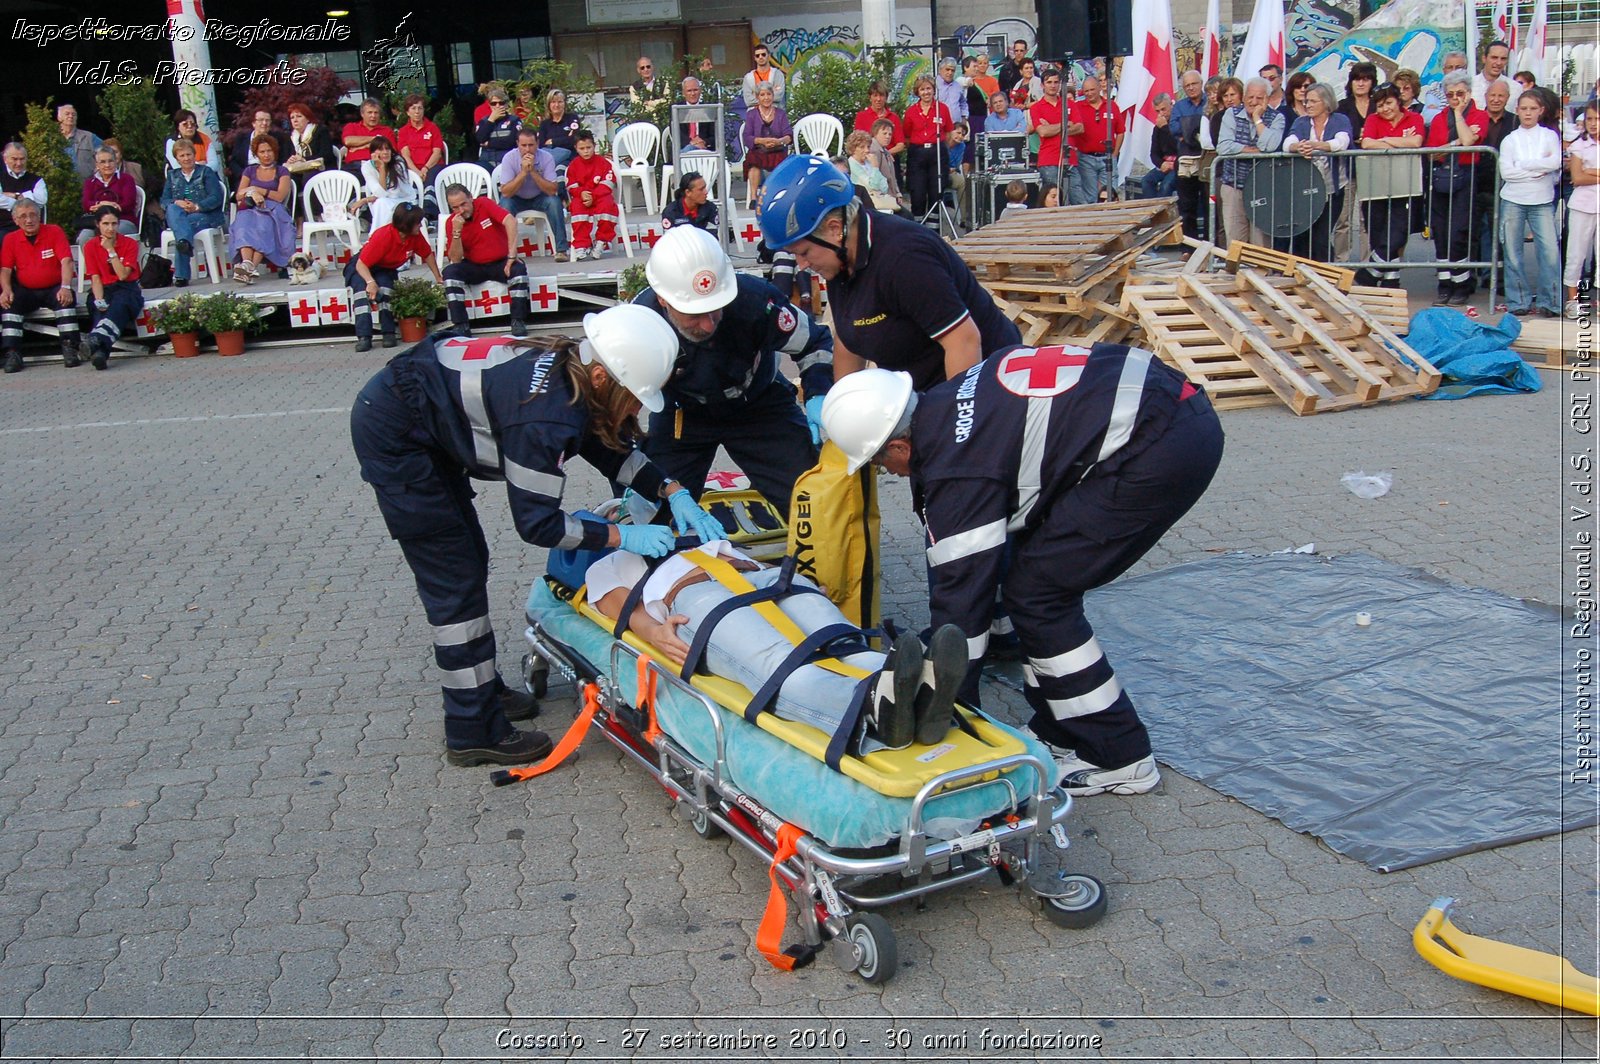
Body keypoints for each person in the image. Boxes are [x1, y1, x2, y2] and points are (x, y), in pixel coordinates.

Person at [820, 350, 1224, 795]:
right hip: (1169, 406)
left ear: (899, 445)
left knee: (1039, 595)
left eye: (881, 463)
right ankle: (1060, 727)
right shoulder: (946, 402)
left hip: (1163, 445)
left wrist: (950, 710)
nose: (890, 474)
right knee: (1031, 578)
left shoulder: (960, 470)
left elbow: (962, 604)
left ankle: (1120, 756)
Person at [349, 304, 727, 767]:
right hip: (398, 437)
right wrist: (621, 538)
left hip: (417, 413)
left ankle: (481, 689)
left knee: (469, 559)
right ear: (605, 380)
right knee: (453, 577)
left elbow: (605, 447)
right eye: (634, 399)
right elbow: (538, 524)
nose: (635, 411)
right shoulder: (544, 417)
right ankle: (472, 730)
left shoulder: (576, 370)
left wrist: (672, 490)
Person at [588, 540, 967, 751]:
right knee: (779, 662)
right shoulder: (612, 559)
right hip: (694, 598)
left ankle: (920, 688)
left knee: (840, 642)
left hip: (767, 578)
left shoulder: (696, 531)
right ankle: (869, 706)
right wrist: (654, 633)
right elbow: (614, 604)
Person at [758, 154, 1019, 392]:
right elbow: (850, 340)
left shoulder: (904, 259)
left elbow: (963, 342)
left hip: (987, 385)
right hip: (919, 387)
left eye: (803, 252)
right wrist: (842, 409)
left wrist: (955, 428)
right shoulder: (841, 257)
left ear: (835, 228)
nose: (801, 265)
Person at [632, 225, 833, 518]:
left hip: (757, 404)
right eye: (694, 314)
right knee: (650, 508)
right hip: (681, 414)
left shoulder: (756, 301)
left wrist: (818, 392)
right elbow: (618, 398)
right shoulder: (640, 321)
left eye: (715, 308)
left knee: (814, 502)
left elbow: (814, 342)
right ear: (663, 299)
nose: (708, 324)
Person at [1498, 90, 1563, 318]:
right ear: (1517, 110)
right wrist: (1538, 169)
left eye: (1533, 109)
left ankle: (1551, 301)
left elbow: (1554, 162)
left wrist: (1524, 165)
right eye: (1524, 108)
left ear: (1541, 111)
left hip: (1542, 200)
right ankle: (1518, 301)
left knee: (1549, 252)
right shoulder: (1510, 140)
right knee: (1513, 253)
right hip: (1513, 199)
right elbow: (1506, 172)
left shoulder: (1550, 136)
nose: (1528, 113)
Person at [1426, 70, 1488, 305]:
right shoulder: (1439, 118)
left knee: (1459, 233)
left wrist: (1459, 116)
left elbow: (1471, 141)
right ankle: (1445, 284)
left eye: (1460, 94)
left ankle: (1462, 284)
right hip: (1442, 176)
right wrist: (1456, 143)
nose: (1455, 98)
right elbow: (1433, 153)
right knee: (1441, 233)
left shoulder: (1479, 116)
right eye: (1450, 94)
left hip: (1465, 176)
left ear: (1469, 93)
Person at [346, 203, 442, 351]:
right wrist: (370, 282)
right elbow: (361, 264)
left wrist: (438, 277)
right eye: (417, 223)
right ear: (407, 225)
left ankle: (388, 333)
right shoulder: (383, 236)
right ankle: (364, 336)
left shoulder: (414, 237)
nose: (420, 226)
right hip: (363, 266)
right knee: (361, 292)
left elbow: (427, 254)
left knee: (386, 289)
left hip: (385, 268)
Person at [441, 184, 531, 338]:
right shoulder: (452, 222)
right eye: (455, 207)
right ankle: (460, 324)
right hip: (474, 265)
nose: (461, 211)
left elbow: (510, 221)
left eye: (464, 204)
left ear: (471, 197)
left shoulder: (484, 204)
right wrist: (457, 232)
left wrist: (511, 255)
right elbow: (455, 259)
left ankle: (518, 320)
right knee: (450, 272)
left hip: (500, 261)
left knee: (519, 270)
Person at [1357, 84, 1424, 287]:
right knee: (1378, 233)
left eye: (1388, 103)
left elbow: (1416, 142)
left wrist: (1384, 140)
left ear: (1398, 101)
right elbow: (1367, 143)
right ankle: (1390, 281)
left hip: (1406, 185)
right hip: (1377, 185)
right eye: (1380, 105)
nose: (1385, 109)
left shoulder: (1415, 118)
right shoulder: (1372, 119)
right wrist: (1397, 142)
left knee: (1397, 233)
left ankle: (1368, 273)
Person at [0, 198, 78, 372]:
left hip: (54, 287)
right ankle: (12, 353)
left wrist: (65, 286)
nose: (29, 220)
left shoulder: (54, 231)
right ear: (16, 220)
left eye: (33, 214)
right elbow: (5, 269)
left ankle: (70, 347)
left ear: (40, 215)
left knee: (64, 300)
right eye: (23, 216)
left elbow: (66, 261)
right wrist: (6, 290)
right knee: (10, 302)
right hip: (26, 290)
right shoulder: (10, 239)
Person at [1284, 83, 1353, 262]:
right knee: (1303, 235)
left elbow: (1341, 143)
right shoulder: (1301, 122)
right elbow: (1287, 143)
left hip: (1333, 188)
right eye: (1307, 101)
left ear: (1326, 102)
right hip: (1305, 189)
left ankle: (1326, 275)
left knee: (1321, 236)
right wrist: (1298, 146)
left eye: (1313, 101)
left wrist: (1315, 146)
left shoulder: (1340, 120)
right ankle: (1302, 275)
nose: (1308, 105)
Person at [1217, 77, 1285, 249]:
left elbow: (1269, 146)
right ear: (1244, 96)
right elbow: (1223, 146)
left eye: (1259, 98)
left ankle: (1261, 274)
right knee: (1235, 240)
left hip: (1263, 187)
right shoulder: (1230, 114)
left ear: (1267, 100)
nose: (1253, 102)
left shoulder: (1277, 118)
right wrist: (1253, 150)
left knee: (1261, 242)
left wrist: (1257, 119)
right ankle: (1235, 275)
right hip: (1233, 184)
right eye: (1250, 97)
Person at [79, 205, 142, 371]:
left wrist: (110, 250)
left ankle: (96, 339)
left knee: (119, 306)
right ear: (98, 224)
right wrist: (99, 300)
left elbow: (122, 275)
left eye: (114, 224)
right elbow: (95, 277)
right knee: (100, 309)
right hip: (103, 288)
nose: (110, 228)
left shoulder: (129, 244)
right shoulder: (90, 246)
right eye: (106, 224)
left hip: (126, 287)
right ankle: (100, 352)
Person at [495, 128, 570, 262]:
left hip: (540, 196)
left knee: (554, 202)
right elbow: (505, 192)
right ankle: (504, 252)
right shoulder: (509, 158)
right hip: (516, 197)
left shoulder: (546, 157)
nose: (528, 150)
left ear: (537, 144)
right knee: (504, 205)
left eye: (531, 145)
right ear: (517, 144)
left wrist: (533, 172)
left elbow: (553, 190)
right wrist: (523, 173)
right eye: (524, 145)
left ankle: (561, 250)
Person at [227, 136, 294, 284]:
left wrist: (258, 189)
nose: (266, 154)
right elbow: (239, 194)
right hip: (250, 207)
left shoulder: (282, 171)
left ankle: (249, 268)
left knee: (263, 227)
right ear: (256, 154)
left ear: (274, 151)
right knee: (242, 225)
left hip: (272, 209)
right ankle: (247, 264)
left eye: (269, 150)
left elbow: (280, 196)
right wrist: (253, 193)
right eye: (262, 151)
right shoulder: (249, 170)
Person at [160, 138, 226, 288]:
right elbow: (164, 200)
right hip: (180, 215)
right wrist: (178, 203)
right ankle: (184, 243)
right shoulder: (172, 175)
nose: (186, 158)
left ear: (194, 155)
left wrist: (196, 206)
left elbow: (216, 198)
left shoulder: (206, 172)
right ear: (176, 158)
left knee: (183, 228)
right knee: (172, 208)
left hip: (206, 215)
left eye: (189, 154)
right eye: (182, 156)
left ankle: (182, 274)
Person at [1565, 103, 1600, 318]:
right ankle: (1572, 299)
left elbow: (1584, 173)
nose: (1593, 124)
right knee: (1576, 253)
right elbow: (1577, 178)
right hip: (1582, 205)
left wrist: (1592, 171)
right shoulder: (1579, 145)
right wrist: (1585, 172)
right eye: (1589, 119)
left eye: (1597, 119)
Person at [902, 74, 952, 220]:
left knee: (936, 192)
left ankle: (934, 230)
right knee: (917, 192)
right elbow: (906, 135)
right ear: (917, 92)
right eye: (922, 89)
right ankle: (918, 227)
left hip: (937, 152)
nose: (926, 92)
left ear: (934, 90)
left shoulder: (942, 109)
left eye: (929, 88)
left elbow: (948, 133)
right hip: (917, 154)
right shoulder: (911, 111)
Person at [1068, 75, 1123, 205]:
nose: (1089, 93)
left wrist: (1115, 154)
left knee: (1110, 194)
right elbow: (1069, 125)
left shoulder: (1112, 106)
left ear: (1099, 88)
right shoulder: (1078, 107)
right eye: (1086, 91)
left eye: (1092, 90)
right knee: (1090, 197)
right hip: (1086, 158)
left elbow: (1120, 131)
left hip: (1108, 156)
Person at [564, 130, 618, 262]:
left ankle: (601, 241)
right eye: (582, 148)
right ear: (576, 149)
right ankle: (581, 245)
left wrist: (593, 196)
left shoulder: (603, 163)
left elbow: (608, 183)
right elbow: (571, 186)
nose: (586, 151)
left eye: (589, 147)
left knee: (608, 208)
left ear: (594, 146)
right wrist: (581, 194)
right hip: (582, 198)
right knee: (577, 210)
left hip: (600, 196)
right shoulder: (573, 166)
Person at [1171, 70, 1208, 237]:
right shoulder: (1179, 106)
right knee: (1187, 205)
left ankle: (1210, 244)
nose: (1191, 88)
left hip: (1207, 159)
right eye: (1187, 85)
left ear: (1201, 84)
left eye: (1194, 84)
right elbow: (1173, 128)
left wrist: (1188, 128)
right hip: (1186, 161)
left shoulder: (1211, 102)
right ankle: (1190, 247)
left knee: (1209, 204)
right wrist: (1199, 125)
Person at [742, 84, 792, 206]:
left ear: (773, 96)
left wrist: (779, 141)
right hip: (759, 150)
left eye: (769, 94)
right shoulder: (752, 114)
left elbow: (789, 135)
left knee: (784, 163)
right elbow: (747, 136)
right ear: (757, 97)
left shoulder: (780, 114)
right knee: (753, 162)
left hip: (777, 150)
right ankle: (754, 198)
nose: (766, 98)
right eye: (762, 95)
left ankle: (780, 196)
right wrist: (762, 141)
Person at [358, 136, 418, 234]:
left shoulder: (398, 162)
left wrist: (366, 199)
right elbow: (380, 193)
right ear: (373, 153)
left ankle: (376, 237)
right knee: (381, 203)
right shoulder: (367, 167)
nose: (385, 152)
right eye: (380, 149)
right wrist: (382, 168)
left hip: (404, 200)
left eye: (387, 149)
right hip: (385, 201)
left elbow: (395, 192)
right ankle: (381, 237)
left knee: (381, 203)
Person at [79, 148, 139, 242]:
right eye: (103, 162)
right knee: (84, 237)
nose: (107, 165)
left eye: (110, 161)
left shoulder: (126, 179)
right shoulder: (90, 182)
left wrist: (104, 206)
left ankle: (113, 256)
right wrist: (104, 204)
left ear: (116, 162)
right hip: (98, 222)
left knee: (113, 231)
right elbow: (86, 204)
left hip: (122, 220)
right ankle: (95, 257)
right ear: (97, 165)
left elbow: (129, 203)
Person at [395, 94, 446, 202]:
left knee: (432, 176)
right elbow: (405, 155)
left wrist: (425, 168)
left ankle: (429, 210)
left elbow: (437, 153)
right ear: (407, 112)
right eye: (413, 108)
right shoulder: (403, 131)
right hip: (412, 168)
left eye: (420, 108)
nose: (417, 112)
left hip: (432, 166)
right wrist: (416, 171)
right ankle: (415, 208)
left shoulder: (433, 128)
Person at [853, 83, 906, 180]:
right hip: (868, 160)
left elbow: (900, 144)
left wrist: (885, 155)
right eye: (875, 95)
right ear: (870, 97)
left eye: (881, 95)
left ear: (886, 98)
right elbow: (857, 142)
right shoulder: (862, 116)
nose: (878, 99)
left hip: (890, 160)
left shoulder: (894, 117)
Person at [1030, 68, 1069, 198]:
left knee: (1073, 199)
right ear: (1042, 85)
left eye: (1056, 82)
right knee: (1052, 199)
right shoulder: (1036, 107)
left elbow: (1080, 128)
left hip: (1070, 159)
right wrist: (1065, 124)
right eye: (1049, 82)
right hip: (1048, 161)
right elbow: (1043, 132)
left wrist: (1052, 127)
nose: (1053, 85)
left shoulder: (1069, 104)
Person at [229, 109, 292, 187]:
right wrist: (244, 175)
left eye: (267, 120)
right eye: (261, 120)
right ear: (253, 123)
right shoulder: (241, 138)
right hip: (245, 175)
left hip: (270, 175)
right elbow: (233, 162)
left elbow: (283, 160)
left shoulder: (279, 139)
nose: (264, 123)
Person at [0, 143, 48, 236]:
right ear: (5, 159)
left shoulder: (37, 180)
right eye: (14, 159)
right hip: (4, 227)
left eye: (22, 159)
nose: (19, 163)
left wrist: (16, 196)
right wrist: (28, 199)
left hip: (32, 226)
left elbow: (42, 200)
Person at [284, 102, 337, 183]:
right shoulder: (294, 137)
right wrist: (292, 160)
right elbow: (293, 156)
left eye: (299, 116)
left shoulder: (321, 131)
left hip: (322, 169)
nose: (295, 120)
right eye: (292, 117)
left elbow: (326, 155)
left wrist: (303, 159)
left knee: (308, 176)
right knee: (286, 178)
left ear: (308, 119)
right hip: (301, 170)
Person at [340, 99, 393, 178]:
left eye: (376, 113)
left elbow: (391, 152)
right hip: (355, 167)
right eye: (370, 112)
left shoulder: (386, 131)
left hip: (377, 166)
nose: (373, 116)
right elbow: (348, 141)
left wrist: (359, 146)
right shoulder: (352, 127)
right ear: (362, 114)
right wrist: (376, 138)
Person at [1141, 94, 1180, 200]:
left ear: (1171, 105)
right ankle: (1152, 211)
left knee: (1166, 185)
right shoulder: (1157, 128)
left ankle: (1161, 214)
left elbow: (1179, 146)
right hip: (1165, 164)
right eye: (1157, 111)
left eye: (1163, 109)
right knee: (1146, 181)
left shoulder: (1179, 122)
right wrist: (1161, 163)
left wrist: (1165, 128)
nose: (1161, 114)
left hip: (1180, 164)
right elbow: (1154, 153)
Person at [474, 88, 521, 172]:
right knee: (476, 171)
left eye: (501, 103)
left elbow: (512, 142)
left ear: (506, 105)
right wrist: (491, 120)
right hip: (487, 161)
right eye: (494, 103)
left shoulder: (514, 120)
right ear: (490, 105)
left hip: (507, 160)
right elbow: (480, 139)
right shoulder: (484, 121)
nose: (497, 106)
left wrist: (489, 143)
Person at [536, 90, 582, 167]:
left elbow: (574, 140)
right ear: (549, 105)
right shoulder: (544, 124)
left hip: (570, 158)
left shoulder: (572, 119)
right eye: (553, 102)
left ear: (564, 103)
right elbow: (542, 145)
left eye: (560, 102)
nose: (556, 105)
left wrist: (553, 141)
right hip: (550, 160)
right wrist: (565, 139)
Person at [676, 77, 718, 154]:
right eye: (689, 91)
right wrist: (692, 143)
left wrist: (703, 142)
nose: (693, 94)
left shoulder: (708, 109)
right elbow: (677, 134)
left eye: (695, 90)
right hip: (684, 149)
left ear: (700, 91)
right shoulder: (677, 109)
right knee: (688, 149)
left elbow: (715, 135)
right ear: (683, 93)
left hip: (705, 149)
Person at [58, 104, 101, 179]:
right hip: (58, 185)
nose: (71, 116)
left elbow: (107, 152)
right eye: (67, 114)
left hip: (85, 185)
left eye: (73, 114)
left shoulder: (89, 137)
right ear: (59, 117)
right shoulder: (51, 138)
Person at [741, 45, 786, 111]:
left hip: (775, 113)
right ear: (755, 58)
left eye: (763, 54)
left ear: (768, 56)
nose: (760, 57)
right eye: (757, 55)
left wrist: (757, 95)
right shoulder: (748, 77)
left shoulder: (778, 74)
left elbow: (778, 96)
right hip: (755, 114)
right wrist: (770, 94)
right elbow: (748, 101)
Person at [1474, 42, 1516, 107]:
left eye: (1503, 59)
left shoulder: (1515, 88)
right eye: (1494, 57)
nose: (1499, 63)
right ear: (1484, 58)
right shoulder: (1470, 85)